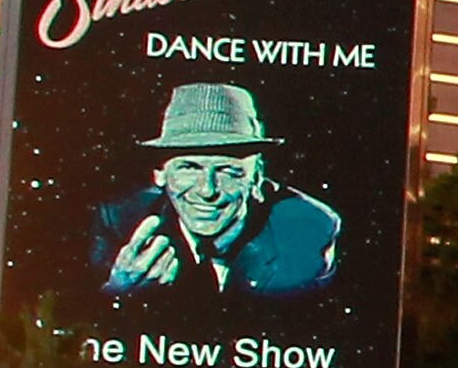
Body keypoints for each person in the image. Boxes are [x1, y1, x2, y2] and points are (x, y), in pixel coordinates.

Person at [93, 82, 344, 299]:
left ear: (257, 178)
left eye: (228, 171)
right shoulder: (117, 222)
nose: (208, 190)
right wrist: (120, 289)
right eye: (189, 168)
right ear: (160, 175)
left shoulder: (307, 229)